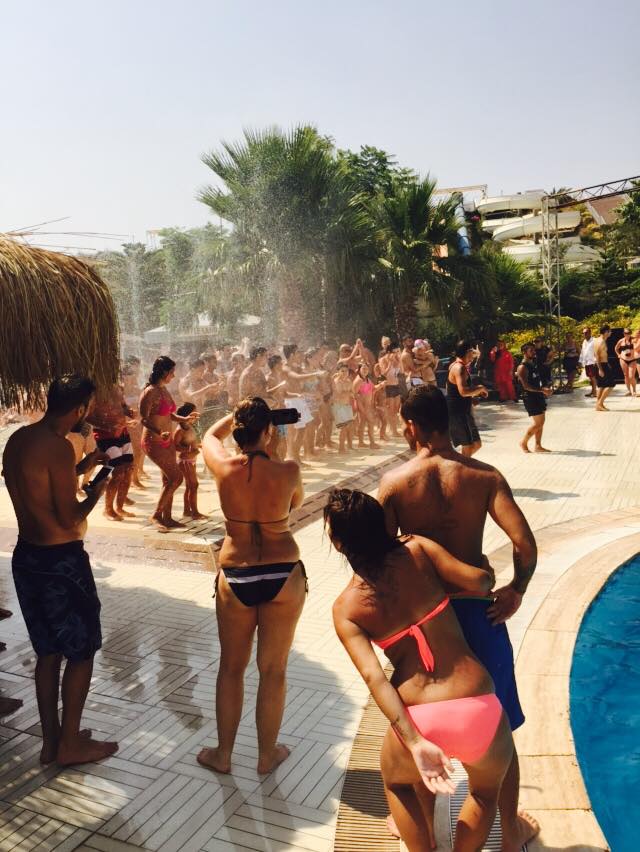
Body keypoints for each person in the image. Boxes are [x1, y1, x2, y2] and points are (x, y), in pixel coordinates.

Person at [377, 386, 540, 851]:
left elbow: (383, 563)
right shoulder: (483, 476)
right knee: (500, 727)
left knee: (421, 729)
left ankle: (420, 829)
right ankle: (509, 834)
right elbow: (525, 543)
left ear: (411, 425)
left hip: (426, 624)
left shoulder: (395, 484)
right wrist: (516, 590)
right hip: (479, 613)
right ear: (445, 422)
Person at [327, 489, 516, 851]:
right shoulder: (417, 549)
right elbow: (478, 582)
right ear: (381, 526)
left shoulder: (346, 608)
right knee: (484, 793)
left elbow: (374, 679)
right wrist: (481, 576)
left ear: (338, 543)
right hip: (477, 704)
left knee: (397, 784)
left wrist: (414, 742)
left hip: (419, 715)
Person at [2, 375, 119, 765]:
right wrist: (96, 495)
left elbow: (35, 486)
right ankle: (71, 745)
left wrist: (84, 465)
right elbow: (69, 520)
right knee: (81, 651)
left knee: (48, 652)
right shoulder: (56, 447)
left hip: (27, 557)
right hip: (61, 561)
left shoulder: (18, 439)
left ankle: (52, 742)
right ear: (80, 408)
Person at [198, 398, 307, 775]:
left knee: (231, 668)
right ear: (267, 431)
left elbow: (210, 435)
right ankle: (266, 755)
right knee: (273, 670)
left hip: (236, 572)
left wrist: (239, 414)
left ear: (241, 430)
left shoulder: (223, 467)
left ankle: (223, 754)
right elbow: (295, 504)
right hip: (282, 574)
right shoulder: (288, 470)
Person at [139, 356, 198, 530]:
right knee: (176, 478)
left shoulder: (164, 390)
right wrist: (159, 432)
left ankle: (168, 517)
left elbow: (169, 415)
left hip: (167, 440)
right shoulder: (149, 392)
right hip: (153, 441)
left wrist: (184, 418)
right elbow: (143, 419)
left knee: (168, 480)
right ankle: (156, 515)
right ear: (164, 372)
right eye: (171, 372)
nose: (173, 375)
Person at [87, 382, 136, 521]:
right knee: (118, 471)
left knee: (129, 469)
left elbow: (123, 406)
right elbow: (86, 416)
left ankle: (120, 507)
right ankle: (108, 509)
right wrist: (107, 425)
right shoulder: (93, 392)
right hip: (105, 437)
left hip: (123, 433)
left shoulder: (116, 387)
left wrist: (129, 412)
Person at [446, 340, 488, 457]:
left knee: (476, 444)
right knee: (468, 446)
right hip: (458, 413)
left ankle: (460, 464)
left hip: (464, 412)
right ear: (467, 352)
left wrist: (472, 397)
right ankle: (460, 469)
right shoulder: (459, 368)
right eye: (472, 351)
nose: (473, 355)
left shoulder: (460, 366)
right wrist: (480, 388)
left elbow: (457, 390)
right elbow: (463, 391)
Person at [516, 343, 554, 453]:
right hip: (530, 397)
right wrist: (542, 390)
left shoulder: (533, 364)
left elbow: (536, 381)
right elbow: (526, 386)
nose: (534, 352)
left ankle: (538, 445)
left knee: (541, 422)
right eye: (531, 350)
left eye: (533, 350)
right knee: (538, 423)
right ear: (524, 352)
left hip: (538, 395)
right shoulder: (522, 367)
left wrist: (545, 388)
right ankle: (523, 442)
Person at [173, 402, 206, 520]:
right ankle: (195, 512)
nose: (197, 416)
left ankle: (187, 511)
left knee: (189, 486)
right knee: (194, 485)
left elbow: (192, 442)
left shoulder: (189, 427)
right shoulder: (180, 430)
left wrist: (199, 446)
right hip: (185, 460)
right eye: (194, 413)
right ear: (186, 415)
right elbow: (174, 446)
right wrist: (188, 449)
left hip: (191, 459)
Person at [122, 359, 147, 488]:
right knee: (129, 453)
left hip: (137, 424)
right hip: (125, 425)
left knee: (139, 451)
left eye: (131, 376)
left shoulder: (138, 390)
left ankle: (134, 477)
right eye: (127, 376)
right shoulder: (120, 391)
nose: (129, 379)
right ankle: (130, 478)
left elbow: (142, 407)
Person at [353, 363, 380, 450]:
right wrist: (362, 408)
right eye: (363, 369)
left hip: (367, 406)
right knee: (370, 423)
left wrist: (381, 385)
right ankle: (372, 443)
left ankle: (361, 442)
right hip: (362, 406)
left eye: (366, 369)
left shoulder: (367, 379)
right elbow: (355, 395)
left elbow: (373, 389)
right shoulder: (359, 381)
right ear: (359, 369)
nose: (365, 370)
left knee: (362, 424)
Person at [379, 344, 402, 436]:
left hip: (396, 385)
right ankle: (393, 431)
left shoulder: (397, 359)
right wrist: (390, 363)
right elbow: (383, 374)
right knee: (391, 410)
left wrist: (398, 361)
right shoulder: (383, 360)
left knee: (396, 409)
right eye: (395, 352)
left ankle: (392, 428)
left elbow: (401, 372)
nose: (396, 354)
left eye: (398, 352)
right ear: (389, 352)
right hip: (388, 387)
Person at [333, 363, 355, 453]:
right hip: (339, 406)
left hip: (347, 405)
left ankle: (349, 445)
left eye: (346, 371)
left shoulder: (348, 381)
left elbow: (352, 393)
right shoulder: (337, 381)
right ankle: (341, 448)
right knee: (343, 427)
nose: (344, 373)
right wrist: (348, 393)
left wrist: (348, 393)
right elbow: (339, 395)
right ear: (338, 372)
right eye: (342, 371)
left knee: (349, 426)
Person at [594, 324, 615, 412]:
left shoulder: (598, 340)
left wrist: (606, 364)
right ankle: (599, 403)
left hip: (604, 364)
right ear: (606, 332)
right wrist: (600, 369)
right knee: (611, 385)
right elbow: (597, 356)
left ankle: (599, 405)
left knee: (602, 385)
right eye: (609, 331)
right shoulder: (601, 342)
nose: (610, 333)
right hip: (601, 365)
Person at [614, 328, 637, 397]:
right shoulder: (621, 341)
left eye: (629, 333)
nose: (627, 334)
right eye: (626, 333)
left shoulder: (634, 340)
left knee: (631, 376)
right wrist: (618, 355)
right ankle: (629, 391)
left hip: (632, 359)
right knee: (626, 375)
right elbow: (616, 348)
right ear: (624, 334)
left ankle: (634, 391)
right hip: (623, 359)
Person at [579, 326, 598, 398]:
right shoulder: (584, 341)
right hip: (586, 362)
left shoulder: (594, 340)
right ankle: (592, 391)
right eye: (583, 333)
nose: (584, 334)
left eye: (586, 333)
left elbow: (597, 351)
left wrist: (596, 360)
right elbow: (582, 352)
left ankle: (595, 392)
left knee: (593, 377)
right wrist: (580, 361)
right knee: (590, 378)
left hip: (592, 362)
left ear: (590, 333)